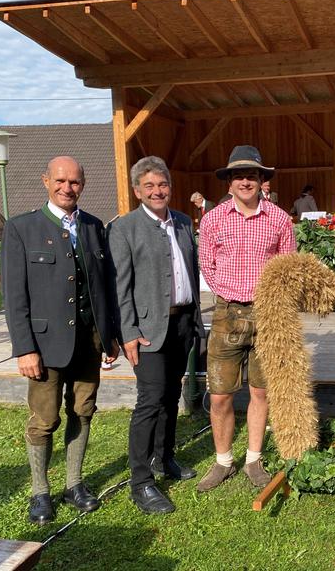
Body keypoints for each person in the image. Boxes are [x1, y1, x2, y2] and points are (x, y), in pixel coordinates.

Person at [1, 156, 119, 525]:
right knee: (44, 420)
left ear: (83, 185)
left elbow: (104, 288)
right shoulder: (22, 228)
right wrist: (24, 349)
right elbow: (14, 296)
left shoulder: (94, 227)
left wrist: (109, 336)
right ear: (45, 181)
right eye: (60, 180)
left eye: (75, 182)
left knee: (83, 411)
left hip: (88, 343)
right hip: (45, 346)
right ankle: (40, 493)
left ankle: (74, 484)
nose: (67, 188)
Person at [108, 156, 205, 514]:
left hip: (181, 325)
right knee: (149, 401)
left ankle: (165, 459)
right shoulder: (125, 228)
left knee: (170, 395)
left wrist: (194, 321)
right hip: (147, 330)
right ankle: (141, 482)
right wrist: (128, 332)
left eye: (162, 184)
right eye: (148, 186)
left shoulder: (181, 222)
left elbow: (190, 272)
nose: (157, 191)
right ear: (137, 191)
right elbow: (120, 286)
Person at [197, 145, 296, 492]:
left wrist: (272, 301)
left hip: (268, 315)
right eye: (238, 175)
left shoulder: (280, 219)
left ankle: (253, 458)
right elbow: (206, 264)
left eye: (252, 175)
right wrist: (230, 291)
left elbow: (288, 267)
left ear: (261, 181)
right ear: (228, 182)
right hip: (227, 312)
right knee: (221, 394)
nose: (245, 181)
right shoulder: (213, 219)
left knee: (261, 390)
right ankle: (224, 461)